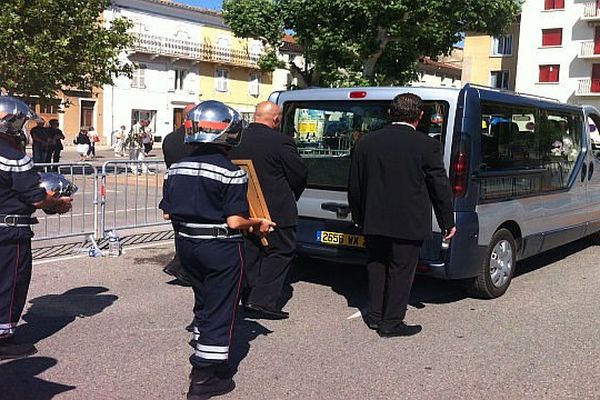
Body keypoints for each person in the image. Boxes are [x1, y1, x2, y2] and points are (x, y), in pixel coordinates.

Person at [159, 100, 275, 399]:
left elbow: (168, 212)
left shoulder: (177, 168)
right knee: (221, 306)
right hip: (220, 246)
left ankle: (200, 346)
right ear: (230, 133)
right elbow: (235, 221)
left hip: (186, 244)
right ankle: (205, 374)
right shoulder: (231, 171)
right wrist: (258, 222)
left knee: (202, 300)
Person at [348, 93, 456, 338]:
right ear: (419, 117)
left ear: (390, 113)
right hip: (408, 221)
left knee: (376, 266)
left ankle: (375, 315)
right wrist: (447, 221)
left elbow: (354, 184)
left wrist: (357, 215)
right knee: (401, 271)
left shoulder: (366, 142)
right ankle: (392, 322)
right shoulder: (427, 146)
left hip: (372, 219)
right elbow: (439, 186)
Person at [0, 96, 72, 360]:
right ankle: (3, 338)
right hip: (9, 231)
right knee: (10, 283)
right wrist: (58, 202)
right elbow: (36, 197)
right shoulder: (13, 156)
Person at [229, 101, 307, 319]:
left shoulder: (236, 139)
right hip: (277, 209)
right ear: (276, 119)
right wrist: (292, 196)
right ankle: (262, 301)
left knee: (251, 252)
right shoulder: (281, 142)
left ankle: (246, 295)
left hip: (244, 206)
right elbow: (298, 174)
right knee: (281, 252)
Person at [161, 103, 196, 287]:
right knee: (193, 233)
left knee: (179, 231)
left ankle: (181, 265)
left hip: (174, 188)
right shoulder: (195, 139)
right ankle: (182, 267)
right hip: (192, 189)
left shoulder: (170, 138)